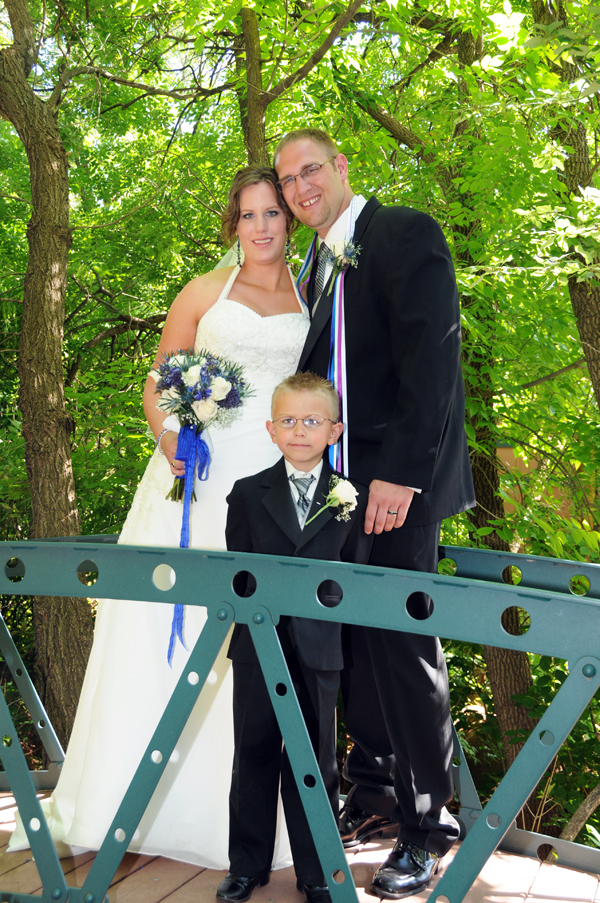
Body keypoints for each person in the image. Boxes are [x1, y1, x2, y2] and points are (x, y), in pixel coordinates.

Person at [8, 166, 309, 869]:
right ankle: (125, 806)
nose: (261, 227)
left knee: (258, 646)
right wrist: (170, 436)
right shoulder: (205, 292)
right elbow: (159, 382)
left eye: (272, 214)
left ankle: (242, 822)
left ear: (289, 223)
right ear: (232, 225)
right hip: (196, 484)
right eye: (248, 215)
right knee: (164, 638)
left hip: (271, 490)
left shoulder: (311, 296)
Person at [274, 129, 476, 898]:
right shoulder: (317, 268)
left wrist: (401, 476)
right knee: (355, 646)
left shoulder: (402, 232)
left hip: (397, 487)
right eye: (289, 180)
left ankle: (431, 829)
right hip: (338, 493)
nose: (299, 188)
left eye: (310, 170)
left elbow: (433, 361)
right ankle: (375, 795)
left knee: (400, 645)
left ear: (343, 168)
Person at [218, 372, 373, 903]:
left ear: (335, 431)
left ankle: (316, 870)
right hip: (259, 646)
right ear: (270, 429)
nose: (300, 431)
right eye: (289, 420)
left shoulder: (350, 497)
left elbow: (356, 578)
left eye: (312, 421)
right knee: (254, 749)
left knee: (316, 758)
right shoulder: (246, 494)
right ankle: (246, 864)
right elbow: (237, 576)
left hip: (321, 647)